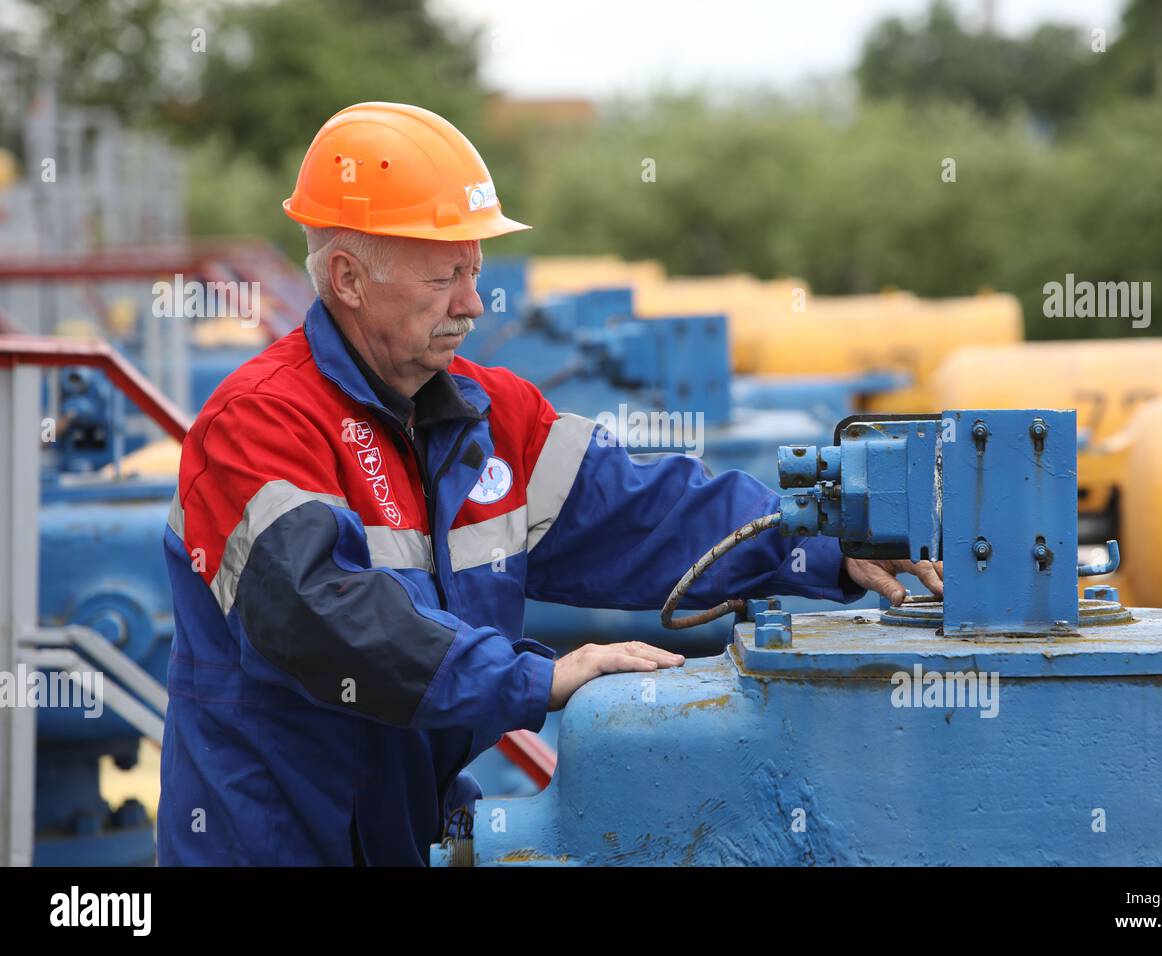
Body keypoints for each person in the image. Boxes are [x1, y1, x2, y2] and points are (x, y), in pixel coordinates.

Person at [157, 102, 943, 865]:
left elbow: (645, 515)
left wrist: (824, 544)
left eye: (474, 269)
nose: (472, 303)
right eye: (443, 277)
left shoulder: (492, 415)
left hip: (412, 831)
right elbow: (322, 619)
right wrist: (536, 678)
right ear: (348, 278)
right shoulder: (256, 427)